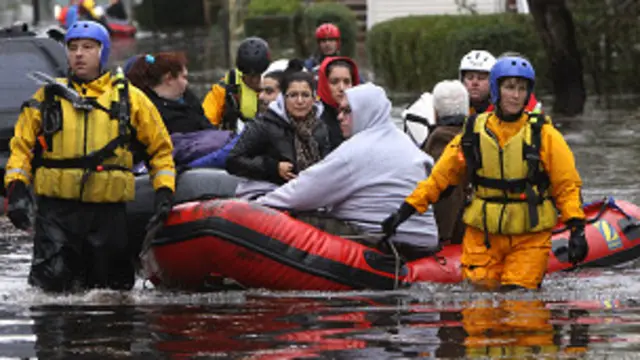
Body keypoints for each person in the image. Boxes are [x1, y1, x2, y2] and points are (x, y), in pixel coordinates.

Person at [382, 56, 589, 290]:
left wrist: (577, 229)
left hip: (528, 237)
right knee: (479, 308)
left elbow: (567, 186)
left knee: (519, 307)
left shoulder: (545, 135)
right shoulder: (472, 134)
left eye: (522, 89)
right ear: (496, 89)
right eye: (509, 87)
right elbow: (440, 179)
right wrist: (404, 212)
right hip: (483, 237)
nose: (515, 95)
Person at [4, 21, 176, 293]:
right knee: (50, 291)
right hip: (57, 212)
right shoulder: (46, 98)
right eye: (73, 48)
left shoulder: (130, 99)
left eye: (88, 47)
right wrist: (15, 189)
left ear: (102, 52)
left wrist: (164, 191)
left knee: (112, 293)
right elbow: (21, 149)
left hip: (107, 213)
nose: (79, 54)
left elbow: (160, 149)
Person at [257, 83, 439, 261]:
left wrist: (257, 206)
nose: (340, 117)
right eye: (339, 110)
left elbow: (303, 192)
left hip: (387, 244)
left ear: (365, 112)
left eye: (347, 111)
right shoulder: (407, 144)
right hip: (426, 243)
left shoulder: (355, 151)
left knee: (299, 218)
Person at [226, 67, 332, 200]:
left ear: (313, 98)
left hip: (308, 195)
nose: (299, 101)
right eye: (293, 95)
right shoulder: (263, 124)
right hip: (265, 195)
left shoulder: (320, 128)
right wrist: (273, 167)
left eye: (305, 95)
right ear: (283, 98)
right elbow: (233, 161)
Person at [422, 80, 469, 245]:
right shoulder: (476, 136)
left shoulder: (441, 141)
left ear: (435, 112)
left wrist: (443, 237)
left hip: (457, 235)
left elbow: (447, 194)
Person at [126, 52, 213, 134]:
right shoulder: (151, 112)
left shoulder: (188, 97)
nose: (187, 83)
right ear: (169, 79)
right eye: (184, 77)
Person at [202, 37, 271, 131]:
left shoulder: (276, 86)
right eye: (249, 76)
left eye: (258, 75)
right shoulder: (225, 89)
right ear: (242, 72)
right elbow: (205, 122)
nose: (254, 81)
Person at [317, 56, 361, 149]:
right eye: (334, 82)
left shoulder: (363, 116)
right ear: (324, 84)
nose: (342, 88)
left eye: (346, 82)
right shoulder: (315, 118)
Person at [458, 50, 496, 115]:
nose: (475, 83)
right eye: (470, 77)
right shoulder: (454, 111)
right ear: (462, 80)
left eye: (481, 78)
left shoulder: (501, 113)